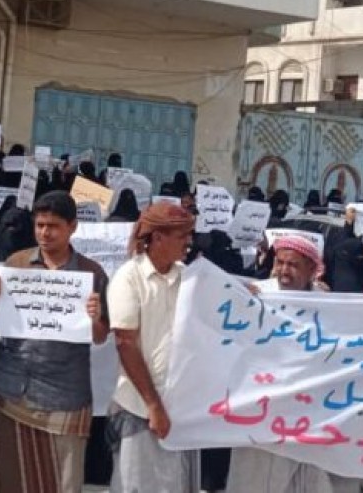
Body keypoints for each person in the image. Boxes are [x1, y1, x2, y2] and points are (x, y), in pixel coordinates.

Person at [0, 191, 110, 493]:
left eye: (53, 225)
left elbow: (101, 336)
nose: (44, 232)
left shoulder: (91, 273)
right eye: (39, 224)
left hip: (65, 392)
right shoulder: (17, 263)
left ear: (72, 227)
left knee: (63, 480)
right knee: (10, 476)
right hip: (13, 388)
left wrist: (94, 318)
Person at [227, 236, 345, 493]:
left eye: (292, 265)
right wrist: (242, 306)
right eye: (279, 263)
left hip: (307, 412)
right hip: (263, 410)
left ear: (312, 270)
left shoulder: (327, 301)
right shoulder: (259, 294)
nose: (283, 271)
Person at [107, 202, 199, 493]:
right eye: (182, 235)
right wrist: (153, 406)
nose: (188, 242)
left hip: (180, 408)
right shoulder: (128, 278)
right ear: (158, 237)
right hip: (140, 407)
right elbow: (125, 344)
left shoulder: (188, 276)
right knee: (136, 485)